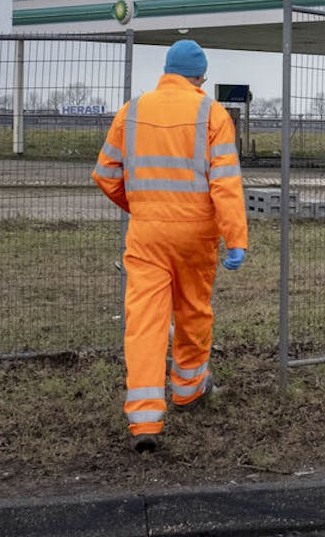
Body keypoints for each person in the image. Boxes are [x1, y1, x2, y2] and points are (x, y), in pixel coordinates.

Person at [92, 39, 248, 453]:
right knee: (193, 310)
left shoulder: (132, 111)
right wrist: (235, 238)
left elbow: (106, 173)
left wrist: (141, 205)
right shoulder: (212, 114)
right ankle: (188, 387)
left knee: (144, 320)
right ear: (199, 78)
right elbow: (226, 184)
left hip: (146, 234)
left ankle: (144, 418)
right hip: (195, 235)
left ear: (166, 71)